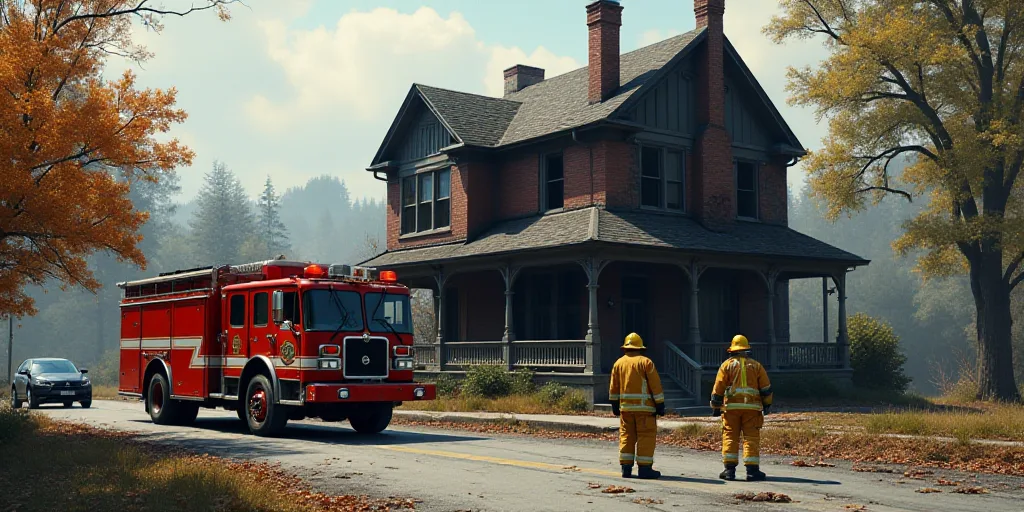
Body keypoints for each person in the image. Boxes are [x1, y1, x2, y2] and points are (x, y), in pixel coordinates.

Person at [710, 334, 773, 481]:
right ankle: (752, 471)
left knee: (730, 436)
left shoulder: (726, 365)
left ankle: (729, 471)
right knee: (751, 437)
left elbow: (718, 388)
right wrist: (767, 404)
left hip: (731, 408)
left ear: (732, 350)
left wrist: (715, 406)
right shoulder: (756, 366)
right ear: (747, 349)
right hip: (752, 409)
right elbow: (766, 389)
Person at [609, 332, 666, 479]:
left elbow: (614, 387)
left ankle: (626, 468)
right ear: (640, 347)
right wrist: (660, 404)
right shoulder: (646, 362)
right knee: (645, 437)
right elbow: (655, 385)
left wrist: (615, 405)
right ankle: (645, 468)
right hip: (645, 409)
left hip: (625, 409)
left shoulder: (618, 363)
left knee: (626, 436)